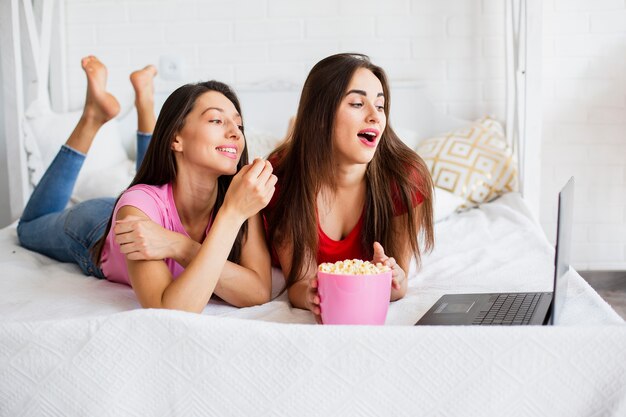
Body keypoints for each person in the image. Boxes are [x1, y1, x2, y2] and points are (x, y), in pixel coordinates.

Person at [17, 56, 276, 313]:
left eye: (239, 124)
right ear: (176, 138)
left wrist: (179, 245)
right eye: (216, 120)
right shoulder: (136, 209)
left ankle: (145, 102)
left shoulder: (239, 199)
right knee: (28, 228)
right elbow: (170, 309)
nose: (235, 132)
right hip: (97, 228)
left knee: (151, 184)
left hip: (152, 205)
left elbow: (258, 292)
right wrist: (231, 216)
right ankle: (92, 117)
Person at [264, 53, 434, 322]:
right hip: (301, 156)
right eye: (357, 103)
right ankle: (294, 131)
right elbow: (298, 284)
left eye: (380, 106)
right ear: (320, 115)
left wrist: (392, 276)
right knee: (291, 147)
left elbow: (398, 282)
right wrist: (311, 296)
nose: (375, 116)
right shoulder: (282, 176)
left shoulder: (404, 177)